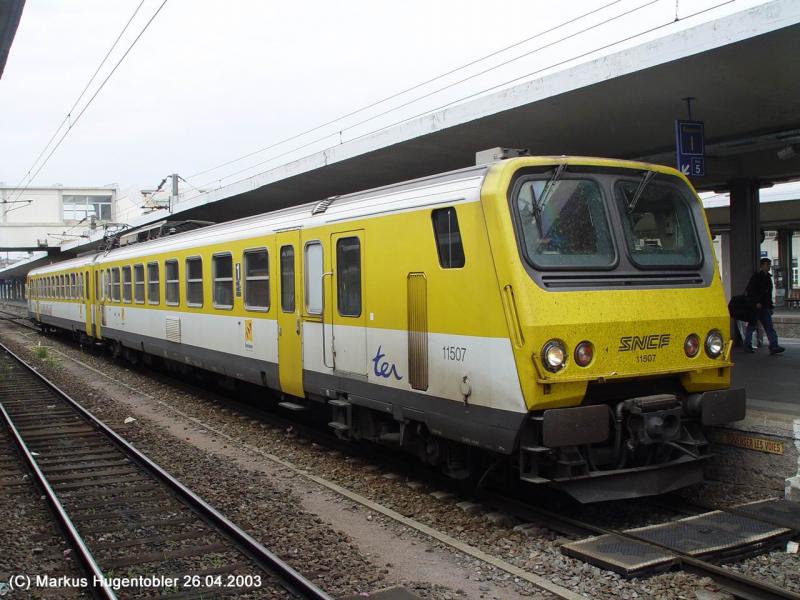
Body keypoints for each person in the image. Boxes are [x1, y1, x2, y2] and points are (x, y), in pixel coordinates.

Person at [744, 258, 785, 354]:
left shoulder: (768, 278)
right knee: (752, 326)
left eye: (769, 265)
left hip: (765, 306)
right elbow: (750, 290)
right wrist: (756, 302)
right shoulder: (756, 277)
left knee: (769, 327)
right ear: (762, 266)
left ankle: (774, 346)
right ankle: (747, 345)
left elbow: (768, 294)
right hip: (756, 307)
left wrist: (770, 306)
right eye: (767, 265)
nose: (769, 267)